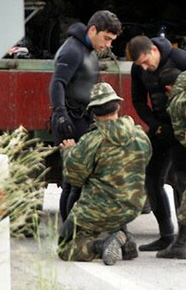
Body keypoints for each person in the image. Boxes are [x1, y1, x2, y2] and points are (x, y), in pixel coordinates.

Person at [56, 82, 152, 265]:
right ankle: (123, 237)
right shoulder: (140, 135)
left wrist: (69, 152)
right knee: (114, 209)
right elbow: (144, 160)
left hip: (98, 211)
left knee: (65, 247)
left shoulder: (91, 141)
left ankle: (101, 245)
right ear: (118, 106)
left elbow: (74, 178)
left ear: (93, 113)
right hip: (132, 206)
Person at [128, 34, 186, 251]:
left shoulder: (180, 59)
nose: (145, 67)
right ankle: (166, 235)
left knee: (183, 182)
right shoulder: (139, 69)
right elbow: (138, 100)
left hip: (185, 129)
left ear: (154, 51)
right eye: (139, 64)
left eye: (145, 61)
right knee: (152, 179)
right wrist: (154, 125)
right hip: (161, 128)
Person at [49, 10, 123, 223]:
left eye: (111, 41)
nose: (108, 45)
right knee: (74, 179)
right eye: (106, 38)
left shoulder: (87, 49)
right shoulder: (72, 50)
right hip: (70, 120)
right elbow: (57, 83)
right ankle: (69, 231)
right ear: (93, 30)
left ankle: (73, 228)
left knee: (78, 179)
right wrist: (60, 114)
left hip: (81, 117)